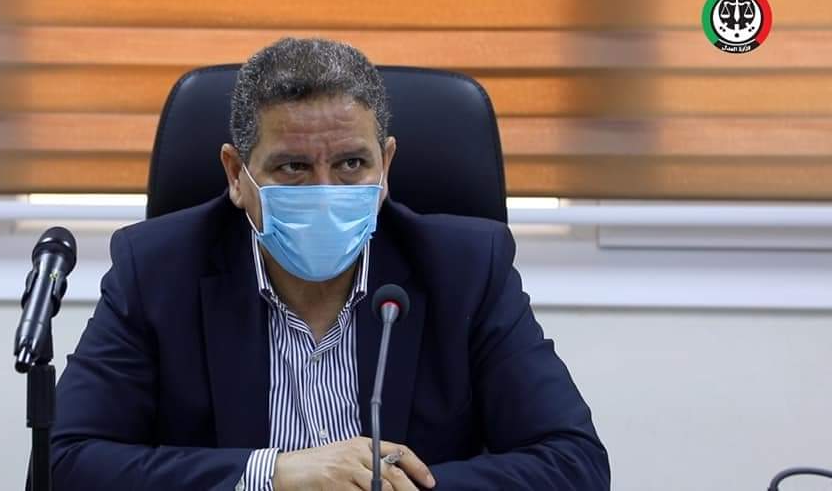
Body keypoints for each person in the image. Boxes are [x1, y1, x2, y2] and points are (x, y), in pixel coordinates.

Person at [51, 38, 609, 490]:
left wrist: (385, 487)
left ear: (385, 166)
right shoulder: (156, 270)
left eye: (351, 163)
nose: (326, 190)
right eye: (293, 167)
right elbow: (63, 464)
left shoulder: (465, 269)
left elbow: (574, 464)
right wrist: (271, 475)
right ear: (236, 176)